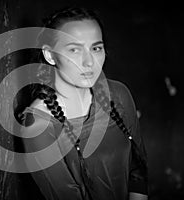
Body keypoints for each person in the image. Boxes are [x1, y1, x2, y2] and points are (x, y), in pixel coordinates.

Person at [19, 7, 148, 200]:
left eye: (96, 48)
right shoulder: (38, 124)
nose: (89, 62)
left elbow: (138, 168)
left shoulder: (118, 94)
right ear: (50, 55)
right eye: (74, 49)